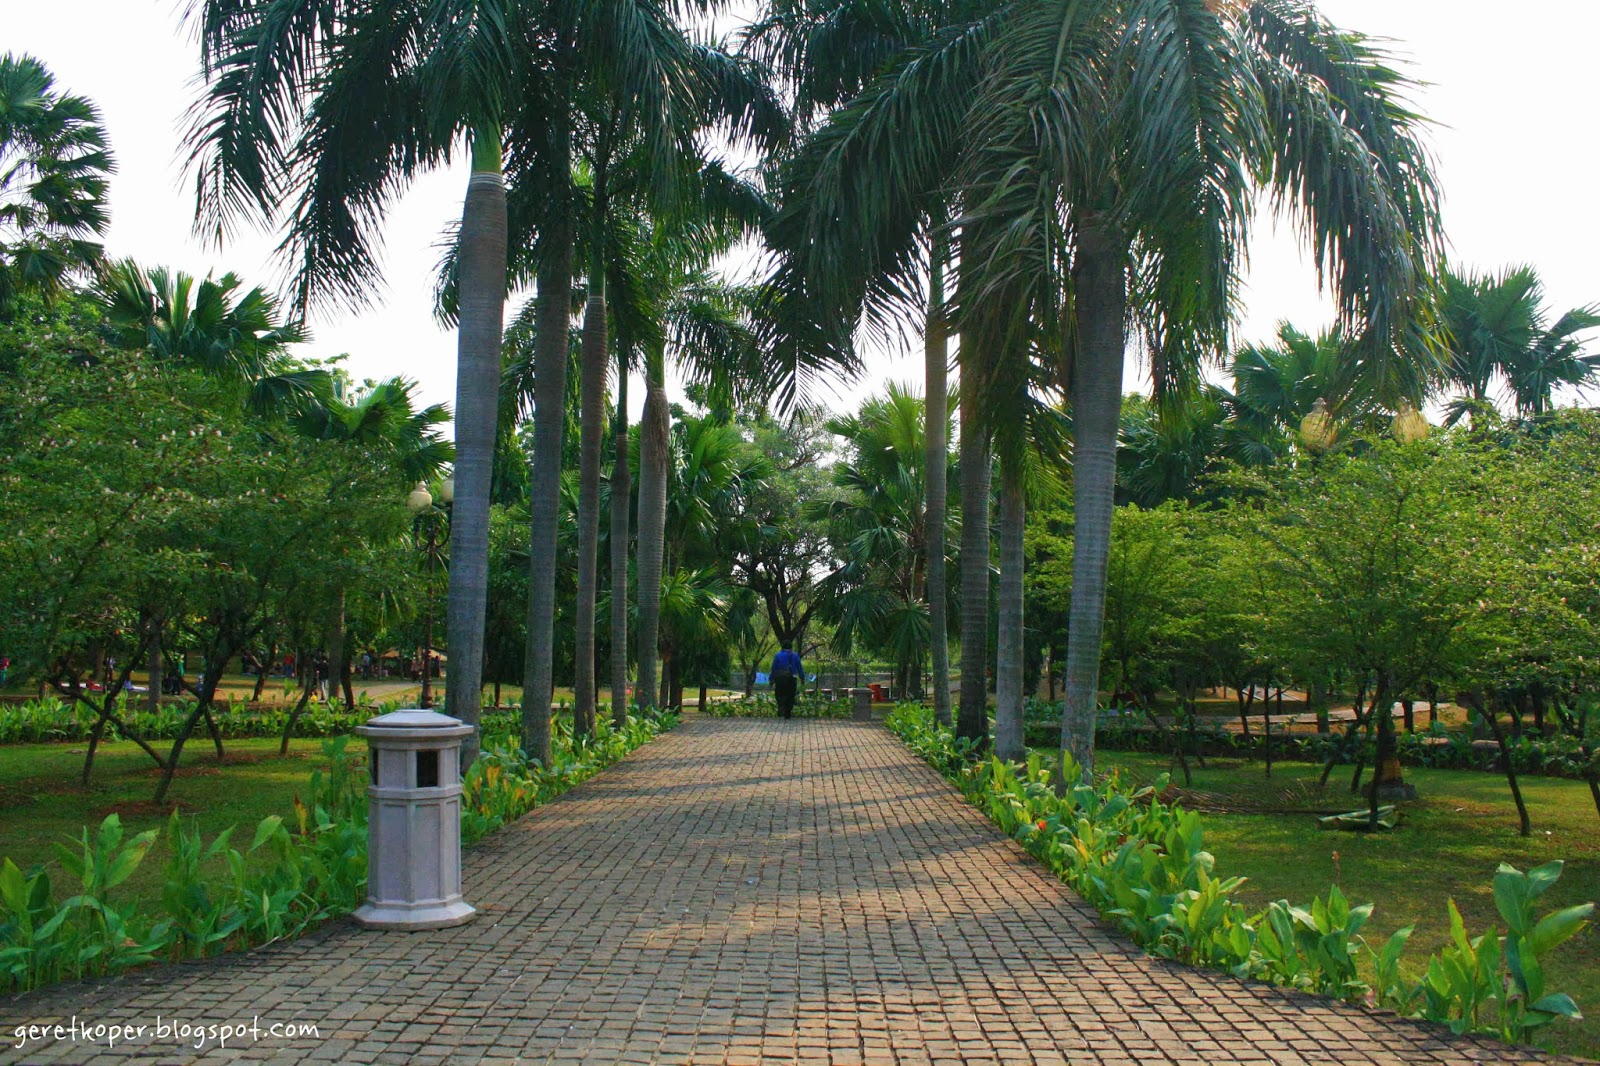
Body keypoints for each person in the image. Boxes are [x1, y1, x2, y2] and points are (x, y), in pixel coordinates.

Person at [769, 642, 803, 720]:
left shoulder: (778, 655)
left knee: (779, 694)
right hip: (792, 678)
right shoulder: (795, 655)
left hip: (780, 679)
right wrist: (802, 677)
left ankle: (781, 708)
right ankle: (788, 713)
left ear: (782, 647)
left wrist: (771, 679)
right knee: (790, 695)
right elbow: (799, 668)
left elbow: (774, 668)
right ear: (791, 648)